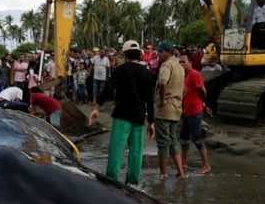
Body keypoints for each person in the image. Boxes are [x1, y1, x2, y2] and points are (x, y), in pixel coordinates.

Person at [89, 39, 154, 185]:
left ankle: (111, 181)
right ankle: (133, 184)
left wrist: (97, 108)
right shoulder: (147, 74)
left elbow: (108, 88)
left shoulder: (120, 70)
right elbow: (150, 100)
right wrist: (151, 122)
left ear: (124, 55)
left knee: (116, 149)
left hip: (122, 114)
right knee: (136, 152)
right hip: (139, 116)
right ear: (140, 55)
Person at [152, 40, 186, 178]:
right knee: (173, 141)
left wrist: (161, 99)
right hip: (176, 108)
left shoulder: (166, 65)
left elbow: (163, 82)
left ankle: (163, 174)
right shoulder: (179, 66)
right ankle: (181, 172)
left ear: (168, 52)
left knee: (163, 143)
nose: (158, 54)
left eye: (160, 51)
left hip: (165, 109)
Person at [178, 53, 211, 174]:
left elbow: (203, 91)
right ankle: (184, 162)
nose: (181, 64)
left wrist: (202, 103)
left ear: (190, 62)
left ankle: (206, 165)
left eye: (183, 62)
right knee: (183, 139)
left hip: (194, 112)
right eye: (180, 62)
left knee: (197, 138)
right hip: (188, 111)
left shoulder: (194, 74)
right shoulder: (186, 76)